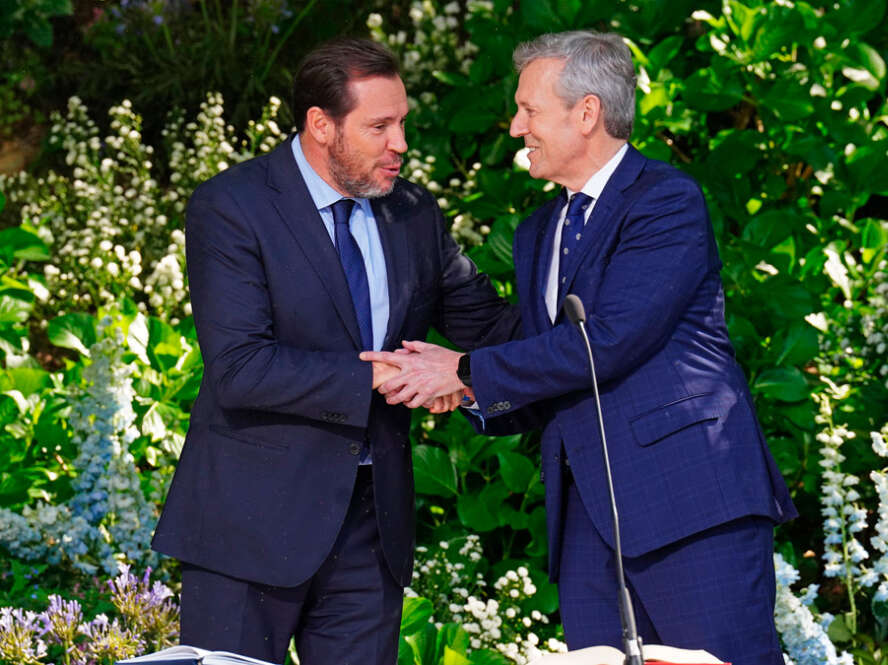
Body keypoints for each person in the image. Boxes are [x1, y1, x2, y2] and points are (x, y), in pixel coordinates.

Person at [361, 31, 797, 665]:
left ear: (586, 112)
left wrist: (461, 368)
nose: (515, 128)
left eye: (529, 110)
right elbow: (552, 364)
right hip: (587, 526)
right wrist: (467, 389)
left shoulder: (665, 202)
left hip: (691, 508)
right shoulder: (540, 229)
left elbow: (610, 342)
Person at [151, 38, 519, 665]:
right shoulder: (230, 206)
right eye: (380, 126)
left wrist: (586, 331)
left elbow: (488, 326)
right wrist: (392, 377)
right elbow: (240, 367)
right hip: (248, 528)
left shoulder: (413, 211)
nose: (400, 143)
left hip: (372, 535)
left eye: (402, 122)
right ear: (320, 125)